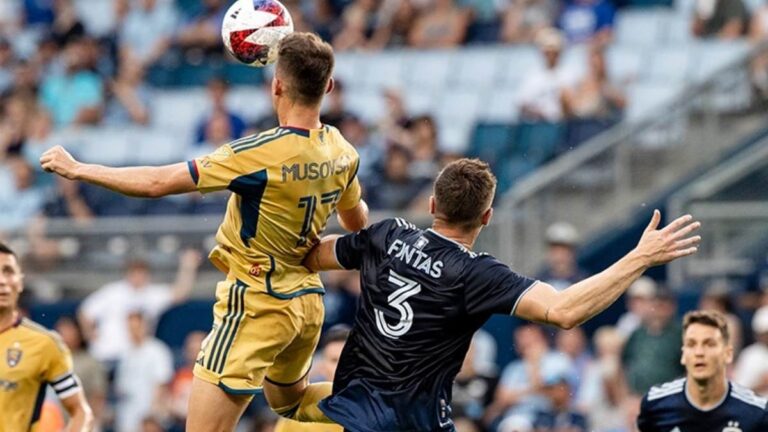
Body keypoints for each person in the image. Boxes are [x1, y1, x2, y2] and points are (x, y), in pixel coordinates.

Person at [41, 32, 369, 432]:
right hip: (305, 303)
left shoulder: (258, 153)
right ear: (329, 86)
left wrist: (79, 169)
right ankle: (381, 400)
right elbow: (357, 223)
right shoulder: (342, 150)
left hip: (255, 301)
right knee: (292, 401)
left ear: (277, 85)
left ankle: (385, 402)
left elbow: (158, 183)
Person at [303, 158, 701, 431]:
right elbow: (565, 310)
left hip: (352, 416)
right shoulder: (475, 273)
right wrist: (639, 257)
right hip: (413, 422)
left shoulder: (387, 234)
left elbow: (312, 254)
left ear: (432, 203)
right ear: (487, 218)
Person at [0, 241, 94, 431]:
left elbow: (81, 412)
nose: (1, 280)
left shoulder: (45, 343)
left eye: (8, 271)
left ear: (20, 282)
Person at [637, 310, 768, 431]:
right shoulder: (656, 405)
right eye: (691, 344)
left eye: (709, 344)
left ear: (728, 354)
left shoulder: (757, 412)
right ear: (683, 355)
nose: (699, 352)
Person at [78, 251, 201, 364]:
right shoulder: (113, 291)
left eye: (141, 272)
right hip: (106, 355)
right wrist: (89, 334)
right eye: (134, 272)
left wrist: (188, 267)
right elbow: (85, 311)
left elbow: (179, 294)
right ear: (127, 273)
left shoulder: (152, 294)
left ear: (147, 274)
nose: (137, 276)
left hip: (135, 358)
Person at [274, 326, 350, 432]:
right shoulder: (298, 415)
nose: (340, 367)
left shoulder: (376, 408)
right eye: (334, 360)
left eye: (347, 359)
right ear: (322, 367)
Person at [114, 311, 175, 432]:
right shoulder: (125, 354)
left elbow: (162, 384)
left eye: (137, 327)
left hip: (149, 416)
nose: (134, 331)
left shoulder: (158, 351)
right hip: (127, 417)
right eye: (131, 328)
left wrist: (153, 415)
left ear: (145, 326)